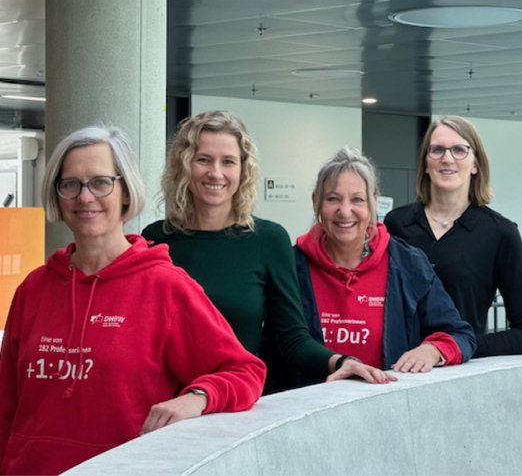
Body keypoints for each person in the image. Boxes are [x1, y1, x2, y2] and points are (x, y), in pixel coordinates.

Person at [0, 124, 266, 475]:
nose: (85, 197)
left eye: (100, 182)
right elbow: (7, 402)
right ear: (57, 195)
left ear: (125, 192)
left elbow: (245, 371)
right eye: (71, 184)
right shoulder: (34, 288)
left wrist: (197, 398)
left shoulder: (165, 287)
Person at [142, 110, 393, 390]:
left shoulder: (268, 240)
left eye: (228, 162)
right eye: (203, 160)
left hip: (235, 401)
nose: (216, 172)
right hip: (167, 403)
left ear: (243, 170)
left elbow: (292, 337)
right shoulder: (155, 240)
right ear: (185, 165)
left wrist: (340, 361)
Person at [293, 146, 475, 383]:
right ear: (316, 201)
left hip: (387, 411)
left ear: (373, 203)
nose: (345, 211)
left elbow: (461, 335)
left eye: (357, 199)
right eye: (333, 199)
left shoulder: (408, 264)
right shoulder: (292, 266)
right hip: (310, 412)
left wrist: (431, 350)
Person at [385, 115, 522, 357]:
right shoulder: (396, 224)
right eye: (437, 150)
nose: (447, 159)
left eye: (459, 150)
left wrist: (455, 347)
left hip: (458, 377)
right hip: (394, 370)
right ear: (426, 163)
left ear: (476, 165)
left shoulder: (500, 233)